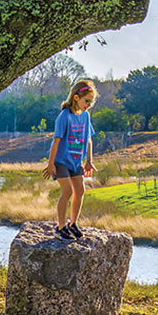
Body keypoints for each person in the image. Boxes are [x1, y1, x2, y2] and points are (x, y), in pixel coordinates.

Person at [42, 80, 98, 239]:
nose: (88, 105)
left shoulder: (86, 116)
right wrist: (51, 163)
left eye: (91, 102)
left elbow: (88, 139)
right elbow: (56, 141)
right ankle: (60, 227)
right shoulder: (64, 116)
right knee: (67, 191)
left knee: (80, 191)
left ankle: (73, 224)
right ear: (76, 97)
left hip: (76, 161)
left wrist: (89, 160)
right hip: (61, 161)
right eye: (86, 101)